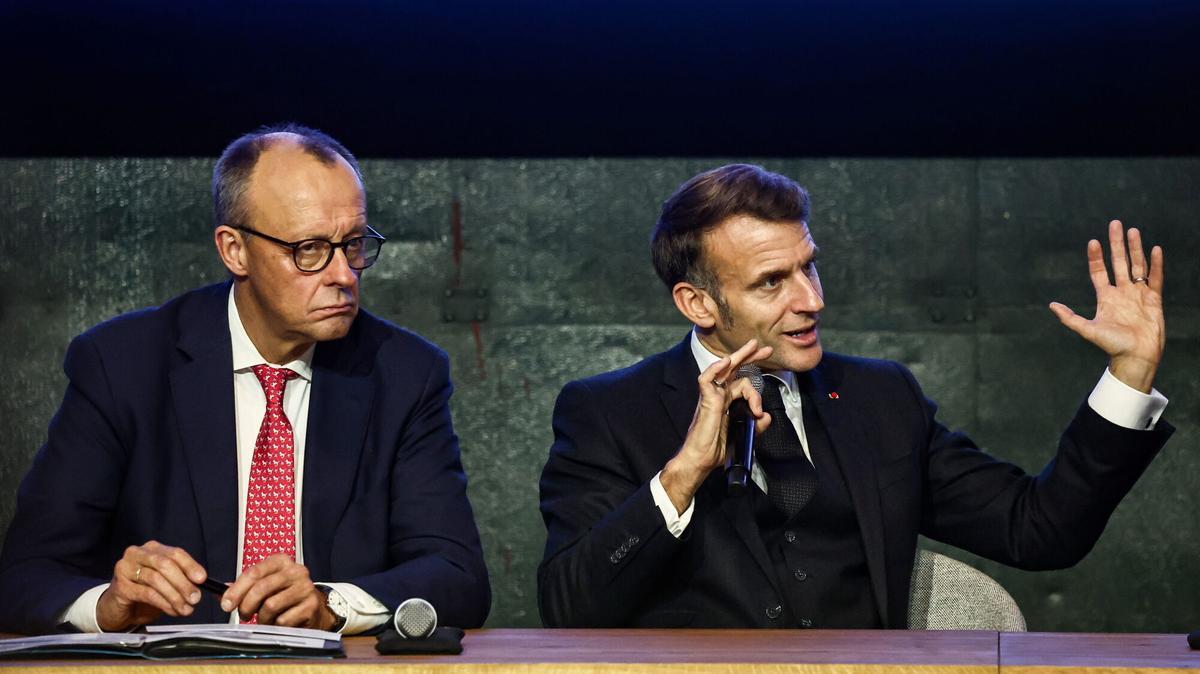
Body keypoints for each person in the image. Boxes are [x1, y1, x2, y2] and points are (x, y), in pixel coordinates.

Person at [538, 164, 1172, 629]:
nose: (811, 300)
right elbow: (570, 608)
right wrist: (680, 478)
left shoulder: (880, 399)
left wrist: (1130, 373)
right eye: (771, 282)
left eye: (808, 266)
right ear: (699, 302)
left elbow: (1038, 530)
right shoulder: (607, 412)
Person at [0, 124, 490, 635]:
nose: (344, 274)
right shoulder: (121, 365)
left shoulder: (404, 373)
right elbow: (26, 576)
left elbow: (457, 577)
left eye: (354, 245)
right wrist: (108, 606)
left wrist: (332, 605)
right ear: (234, 251)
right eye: (309, 249)